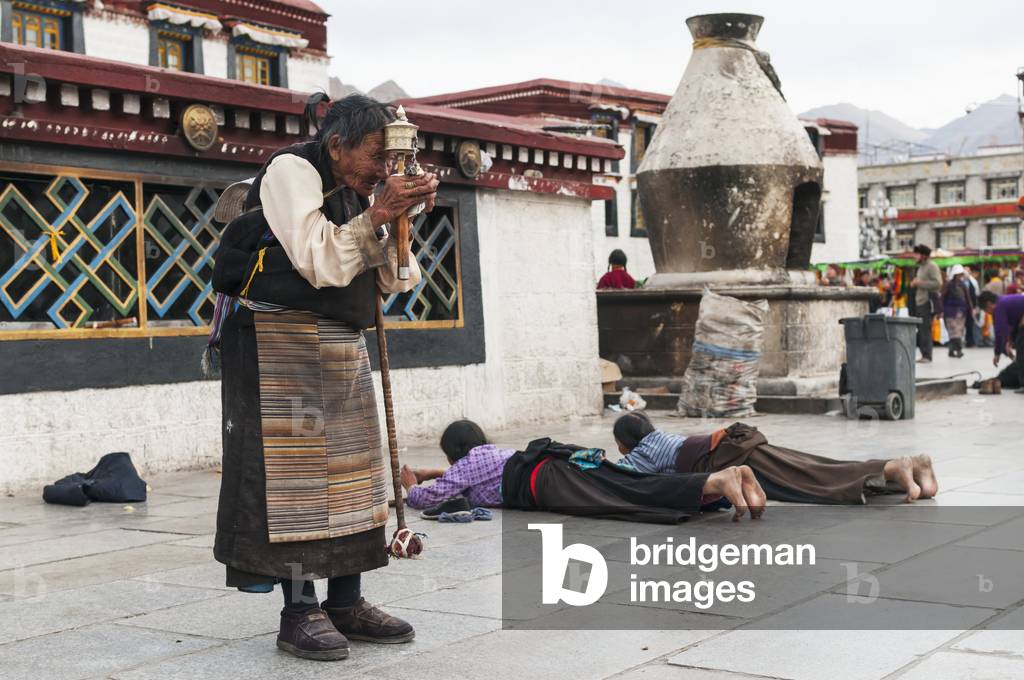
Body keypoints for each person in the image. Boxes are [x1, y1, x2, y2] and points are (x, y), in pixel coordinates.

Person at [211, 94, 439, 661]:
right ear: (336, 145)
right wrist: (379, 214)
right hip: (277, 341)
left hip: (339, 340)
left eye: (390, 159)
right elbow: (321, 261)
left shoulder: (364, 194)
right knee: (299, 484)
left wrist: (400, 221)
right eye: (372, 156)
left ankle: (347, 601)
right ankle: (298, 611)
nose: (382, 170)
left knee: (354, 474)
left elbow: (392, 282)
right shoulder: (293, 170)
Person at [402, 420, 768, 524]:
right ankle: (724, 478)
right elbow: (465, 484)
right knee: (632, 483)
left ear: (456, 453)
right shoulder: (492, 455)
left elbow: (430, 497)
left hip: (551, 479)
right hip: (565, 462)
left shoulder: (472, 461)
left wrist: (410, 488)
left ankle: (716, 481)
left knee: (629, 495)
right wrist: (434, 471)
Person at [611, 412, 937, 504]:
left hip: (728, 458)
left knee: (811, 481)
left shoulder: (642, 452)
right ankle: (910, 466)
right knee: (815, 466)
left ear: (625, 443)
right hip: (737, 441)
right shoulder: (661, 437)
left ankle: (894, 468)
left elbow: (616, 472)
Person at [978, 291, 1024, 390]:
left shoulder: (999, 307)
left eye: (986, 310)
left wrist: (997, 353)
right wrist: (1010, 342)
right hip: (1021, 322)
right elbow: (1012, 324)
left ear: (989, 304)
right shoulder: (1003, 302)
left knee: (1021, 352)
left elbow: (1000, 332)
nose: (987, 313)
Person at [910, 244, 942, 363]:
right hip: (919, 301)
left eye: (916, 254)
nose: (914, 256)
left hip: (927, 302)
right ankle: (924, 354)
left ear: (923, 255)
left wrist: (920, 283)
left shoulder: (931, 266)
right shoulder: (921, 267)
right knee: (921, 329)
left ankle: (927, 356)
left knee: (925, 329)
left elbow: (938, 283)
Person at [941, 264, 973, 358]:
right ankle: (958, 350)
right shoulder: (948, 285)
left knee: (958, 331)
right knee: (954, 331)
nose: (960, 276)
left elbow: (968, 298)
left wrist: (971, 308)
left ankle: (952, 350)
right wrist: (941, 310)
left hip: (961, 311)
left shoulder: (963, 285)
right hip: (950, 311)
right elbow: (942, 297)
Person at [963, 266, 981, 348]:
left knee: (970, 325)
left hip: (970, 308)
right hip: (961, 307)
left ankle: (970, 341)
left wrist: (974, 307)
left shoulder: (972, 282)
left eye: (967, 271)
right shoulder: (960, 282)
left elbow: (975, 295)